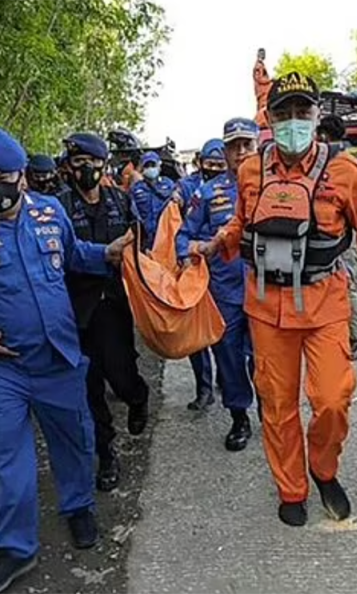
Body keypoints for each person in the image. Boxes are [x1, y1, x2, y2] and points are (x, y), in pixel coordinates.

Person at [0, 128, 133, 594]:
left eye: (5, 176)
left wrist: (107, 254)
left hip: (58, 354)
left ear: (22, 176)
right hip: (0, 365)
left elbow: (73, 256)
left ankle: (78, 508)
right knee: (0, 455)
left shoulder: (50, 212)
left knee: (75, 440)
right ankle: (15, 547)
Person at [196, 73, 357, 526]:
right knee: (277, 405)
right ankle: (291, 487)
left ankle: (324, 469)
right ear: (270, 118)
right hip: (266, 306)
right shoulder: (251, 169)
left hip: (324, 304)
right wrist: (217, 241)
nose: (293, 122)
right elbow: (243, 223)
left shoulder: (344, 172)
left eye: (302, 112)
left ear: (318, 117)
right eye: (283, 114)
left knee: (333, 399)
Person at [56, 132, 150, 491]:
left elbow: (141, 239)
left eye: (89, 163)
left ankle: (137, 397)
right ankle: (106, 453)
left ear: (101, 164)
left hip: (114, 304)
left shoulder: (120, 200)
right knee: (88, 385)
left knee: (121, 372)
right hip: (74, 308)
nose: (83, 170)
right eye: (76, 163)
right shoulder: (58, 207)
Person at [177, 119, 258, 451]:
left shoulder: (274, 186)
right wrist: (193, 253)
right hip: (225, 292)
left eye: (247, 145)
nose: (240, 152)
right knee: (228, 357)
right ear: (224, 151)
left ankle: (272, 409)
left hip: (267, 291)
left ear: (257, 147)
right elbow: (184, 237)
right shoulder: (207, 193)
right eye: (233, 146)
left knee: (267, 357)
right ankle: (239, 416)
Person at [317, 115, 357, 360]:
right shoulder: (351, 160)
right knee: (356, 283)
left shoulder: (340, 163)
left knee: (350, 282)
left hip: (345, 234)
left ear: (323, 136)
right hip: (352, 232)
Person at [178, 141, 228, 411]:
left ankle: (226, 379)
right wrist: (184, 257)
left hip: (228, 274)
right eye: (210, 165)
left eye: (220, 166)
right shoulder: (187, 188)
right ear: (200, 163)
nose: (214, 171)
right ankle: (204, 388)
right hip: (197, 270)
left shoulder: (237, 187)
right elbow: (180, 230)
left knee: (226, 335)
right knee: (196, 335)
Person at [131, 151, 180, 250]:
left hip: (166, 236)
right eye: (147, 166)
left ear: (159, 167)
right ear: (142, 169)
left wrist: (177, 197)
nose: (150, 168)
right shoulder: (136, 189)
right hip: (145, 239)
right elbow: (132, 212)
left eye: (153, 165)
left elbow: (179, 203)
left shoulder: (168, 184)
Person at [253, 48, 273, 129]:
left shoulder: (261, 65)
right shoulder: (258, 65)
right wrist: (270, 80)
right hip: (263, 93)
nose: (263, 56)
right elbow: (259, 79)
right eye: (261, 54)